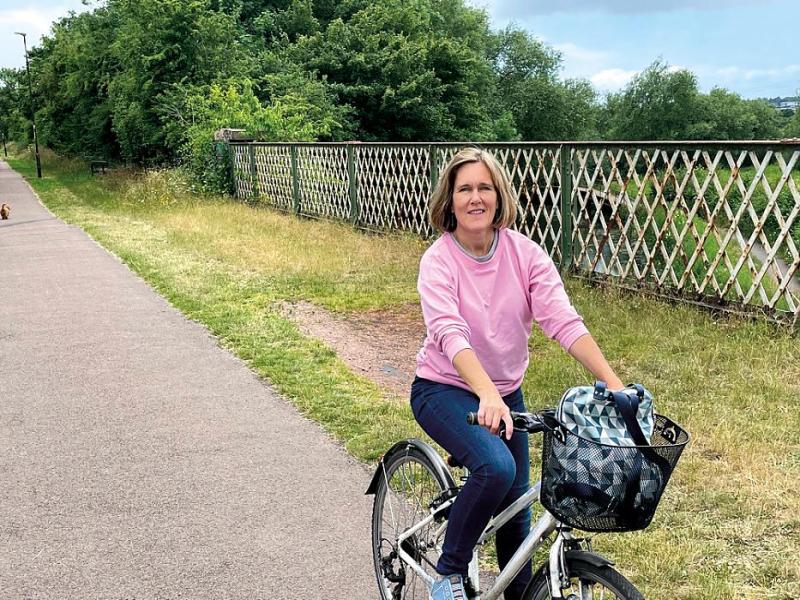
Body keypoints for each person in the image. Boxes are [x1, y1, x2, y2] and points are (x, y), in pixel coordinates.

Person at [411, 147, 624, 600]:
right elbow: (450, 332)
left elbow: (562, 320)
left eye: (484, 187)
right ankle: (448, 575)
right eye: (463, 189)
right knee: (495, 467)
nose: (475, 198)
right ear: (449, 201)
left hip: (505, 393)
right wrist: (486, 394)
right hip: (442, 389)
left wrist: (613, 381)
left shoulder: (524, 253)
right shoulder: (439, 261)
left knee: (517, 516)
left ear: (499, 194)